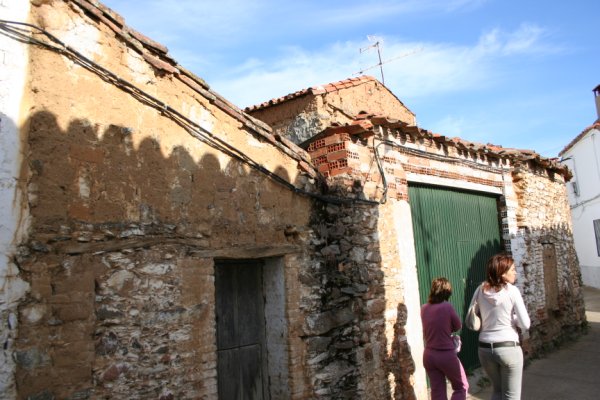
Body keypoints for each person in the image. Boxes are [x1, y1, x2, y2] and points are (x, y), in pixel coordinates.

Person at [473, 253, 531, 400]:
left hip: (485, 348)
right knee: (511, 396)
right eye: (512, 270)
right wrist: (514, 319)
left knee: (497, 391)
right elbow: (525, 324)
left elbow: (472, 317)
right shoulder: (512, 291)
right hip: (508, 348)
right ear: (503, 273)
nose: (515, 272)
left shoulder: (480, 289)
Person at [421, 277, 468, 400]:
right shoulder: (447, 306)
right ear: (447, 292)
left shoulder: (424, 308)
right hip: (445, 354)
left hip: (429, 355)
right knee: (461, 386)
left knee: (437, 391)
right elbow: (457, 325)